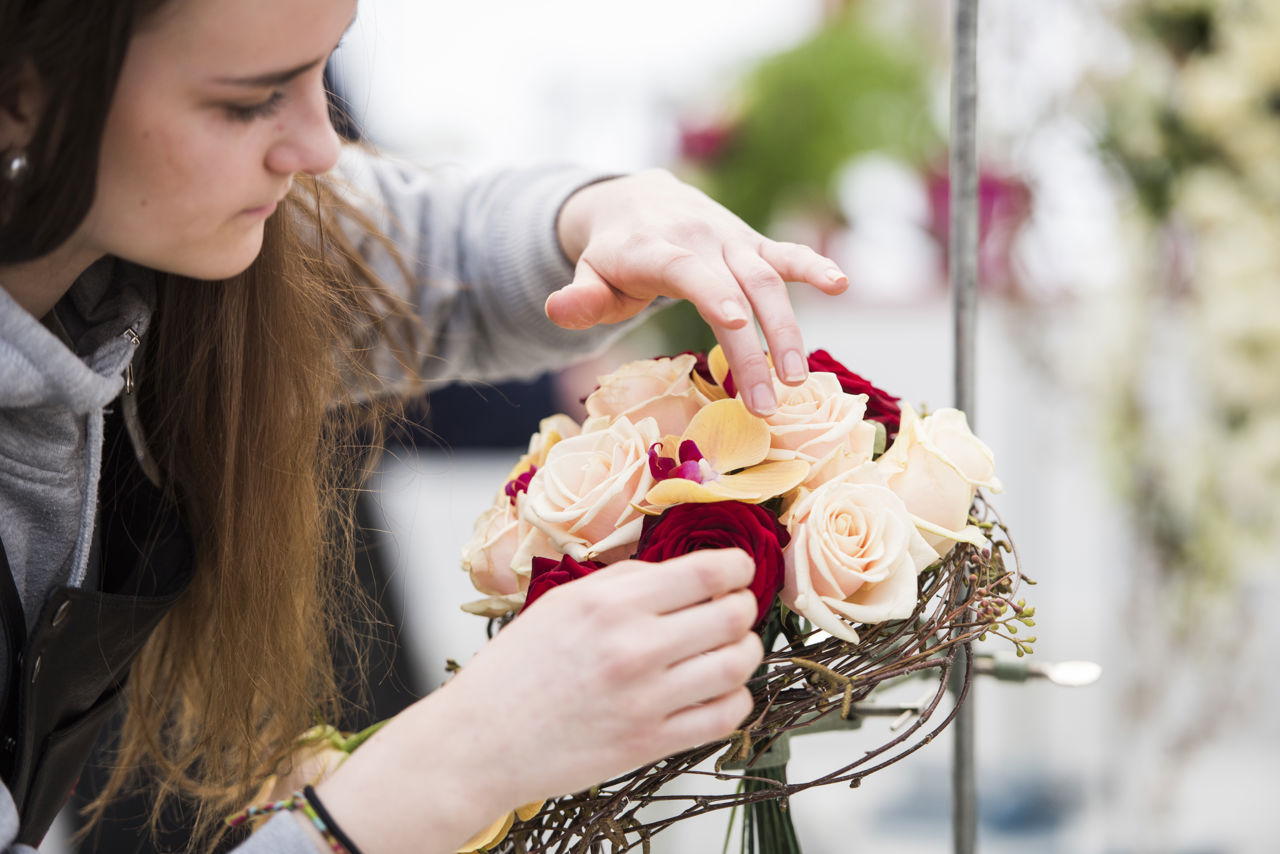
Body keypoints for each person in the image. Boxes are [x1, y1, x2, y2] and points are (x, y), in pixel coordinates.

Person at [0, 0, 851, 851]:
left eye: (321, 71)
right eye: (247, 100)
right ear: (21, 91)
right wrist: (460, 761)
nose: (319, 149)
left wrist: (608, 211)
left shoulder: (167, 240)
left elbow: (429, 243)